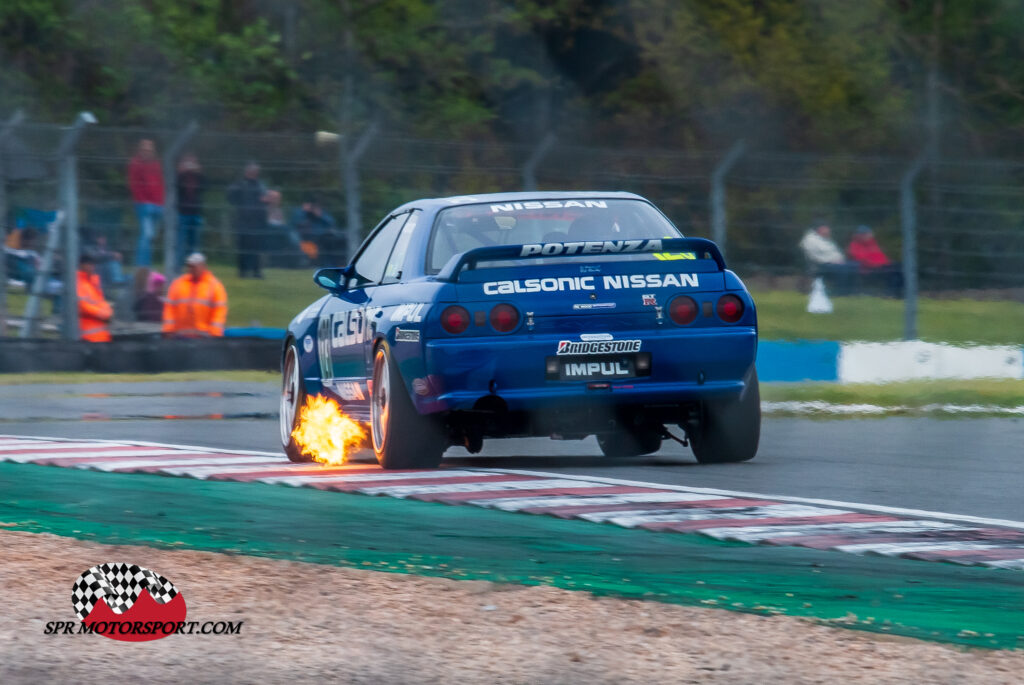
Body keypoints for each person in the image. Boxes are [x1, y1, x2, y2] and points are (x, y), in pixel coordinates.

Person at [162, 253, 228, 337]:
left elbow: (219, 311)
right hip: (180, 337)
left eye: (194, 266)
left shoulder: (214, 286)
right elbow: (169, 308)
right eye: (189, 266)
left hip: (205, 338)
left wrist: (215, 333)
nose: (191, 269)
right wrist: (168, 330)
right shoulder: (178, 284)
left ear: (203, 266)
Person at [127, 139, 165, 267]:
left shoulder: (156, 164)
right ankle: (142, 265)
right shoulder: (135, 163)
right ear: (140, 150)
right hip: (144, 205)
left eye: (149, 150)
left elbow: (160, 182)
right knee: (146, 235)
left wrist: (161, 201)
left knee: (151, 237)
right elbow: (134, 185)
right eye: (145, 149)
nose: (147, 152)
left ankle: (147, 264)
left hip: (157, 204)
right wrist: (142, 201)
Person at [226, 162, 267, 278]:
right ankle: (242, 271)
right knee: (243, 247)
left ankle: (256, 271)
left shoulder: (260, 185)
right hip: (243, 221)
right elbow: (230, 197)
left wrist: (267, 199)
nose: (254, 173)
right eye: (252, 171)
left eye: (256, 171)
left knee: (256, 248)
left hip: (257, 221)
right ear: (247, 172)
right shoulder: (240, 184)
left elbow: (265, 198)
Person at [798, 223, 856, 294]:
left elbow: (836, 252)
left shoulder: (826, 239)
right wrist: (832, 261)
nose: (829, 231)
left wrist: (840, 260)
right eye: (826, 229)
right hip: (821, 265)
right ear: (820, 229)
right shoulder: (810, 240)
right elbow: (814, 256)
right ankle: (840, 292)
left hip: (836, 262)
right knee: (843, 269)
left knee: (854, 266)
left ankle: (852, 292)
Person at [846, 225, 902, 296]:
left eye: (869, 234)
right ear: (860, 235)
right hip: (868, 270)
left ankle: (899, 293)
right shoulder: (854, 245)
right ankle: (892, 293)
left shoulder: (872, 243)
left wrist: (887, 263)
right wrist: (879, 264)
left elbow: (880, 256)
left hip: (879, 267)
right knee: (893, 271)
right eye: (866, 234)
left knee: (899, 268)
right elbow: (862, 259)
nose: (869, 236)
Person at [175, 153, 205, 270]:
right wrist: (181, 172)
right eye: (188, 162)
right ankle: (178, 266)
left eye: (193, 162)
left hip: (196, 212)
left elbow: (205, 187)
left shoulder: (199, 176)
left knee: (195, 243)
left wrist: (200, 173)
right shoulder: (181, 175)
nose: (190, 165)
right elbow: (176, 187)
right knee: (180, 242)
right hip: (183, 212)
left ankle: (194, 267)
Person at [77, 252, 113, 342]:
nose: (92, 267)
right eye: (89, 264)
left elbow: (102, 302)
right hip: (88, 338)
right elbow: (82, 305)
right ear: (82, 265)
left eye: (93, 264)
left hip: (102, 337)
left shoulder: (93, 283)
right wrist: (102, 313)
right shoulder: (77, 282)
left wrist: (108, 311)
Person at [292, 197, 340, 265]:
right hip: (309, 237)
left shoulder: (322, 213)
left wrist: (320, 216)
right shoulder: (301, 213)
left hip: (325, 237)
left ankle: (332, 264)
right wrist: (304, 211)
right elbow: (295, 223)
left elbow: (332, 223)